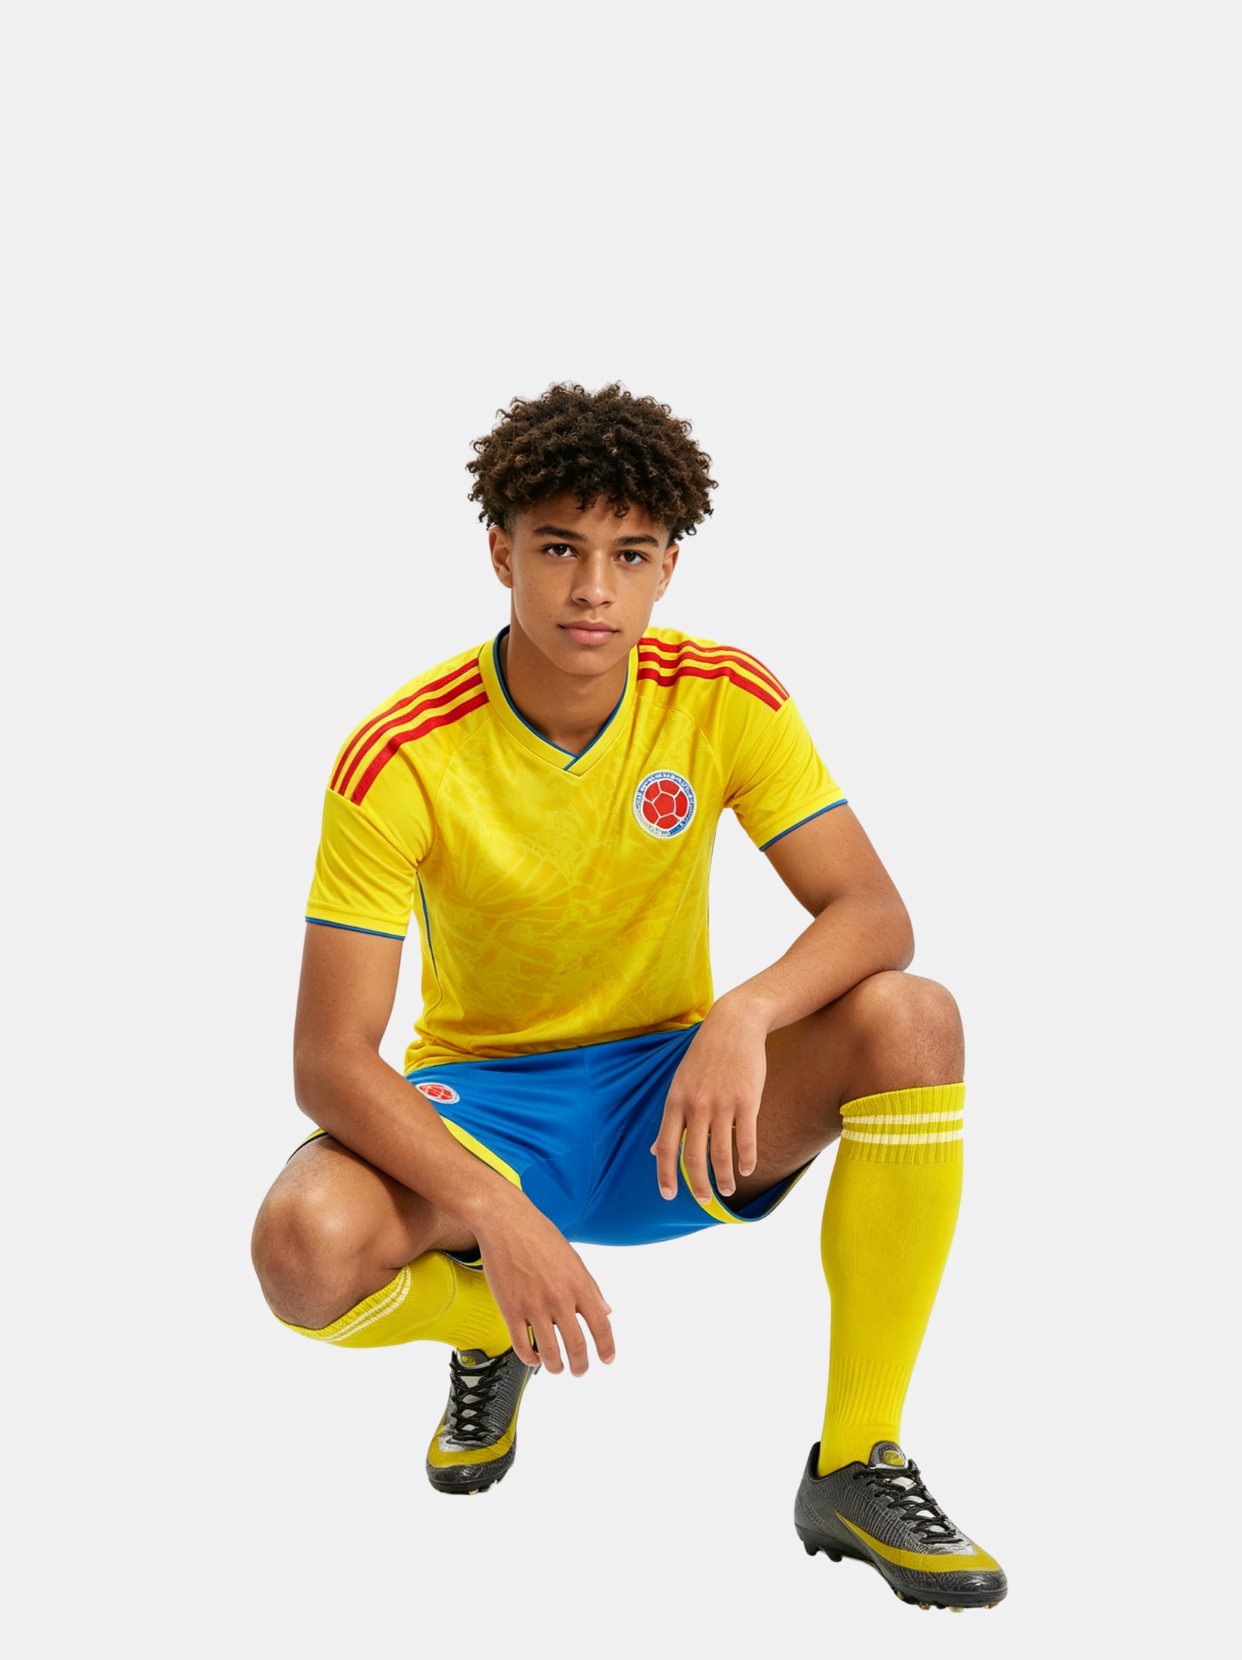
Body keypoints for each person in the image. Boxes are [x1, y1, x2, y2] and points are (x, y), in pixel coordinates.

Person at [251, 383, 1006, 1612]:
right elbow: (330, 1057)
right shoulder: (400, 753)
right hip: (487, 1112)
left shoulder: (722, 696)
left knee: (914, 1018)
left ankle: (856, 1460)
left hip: (673, 1103)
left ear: (667, 569)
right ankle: (484, 1324)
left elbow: (874, 913)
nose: (593, 588)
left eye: (630, 554)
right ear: (501, 551)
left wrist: (743, 1013)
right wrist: (491, 1206)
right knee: (301, 1245)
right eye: (559, 548)